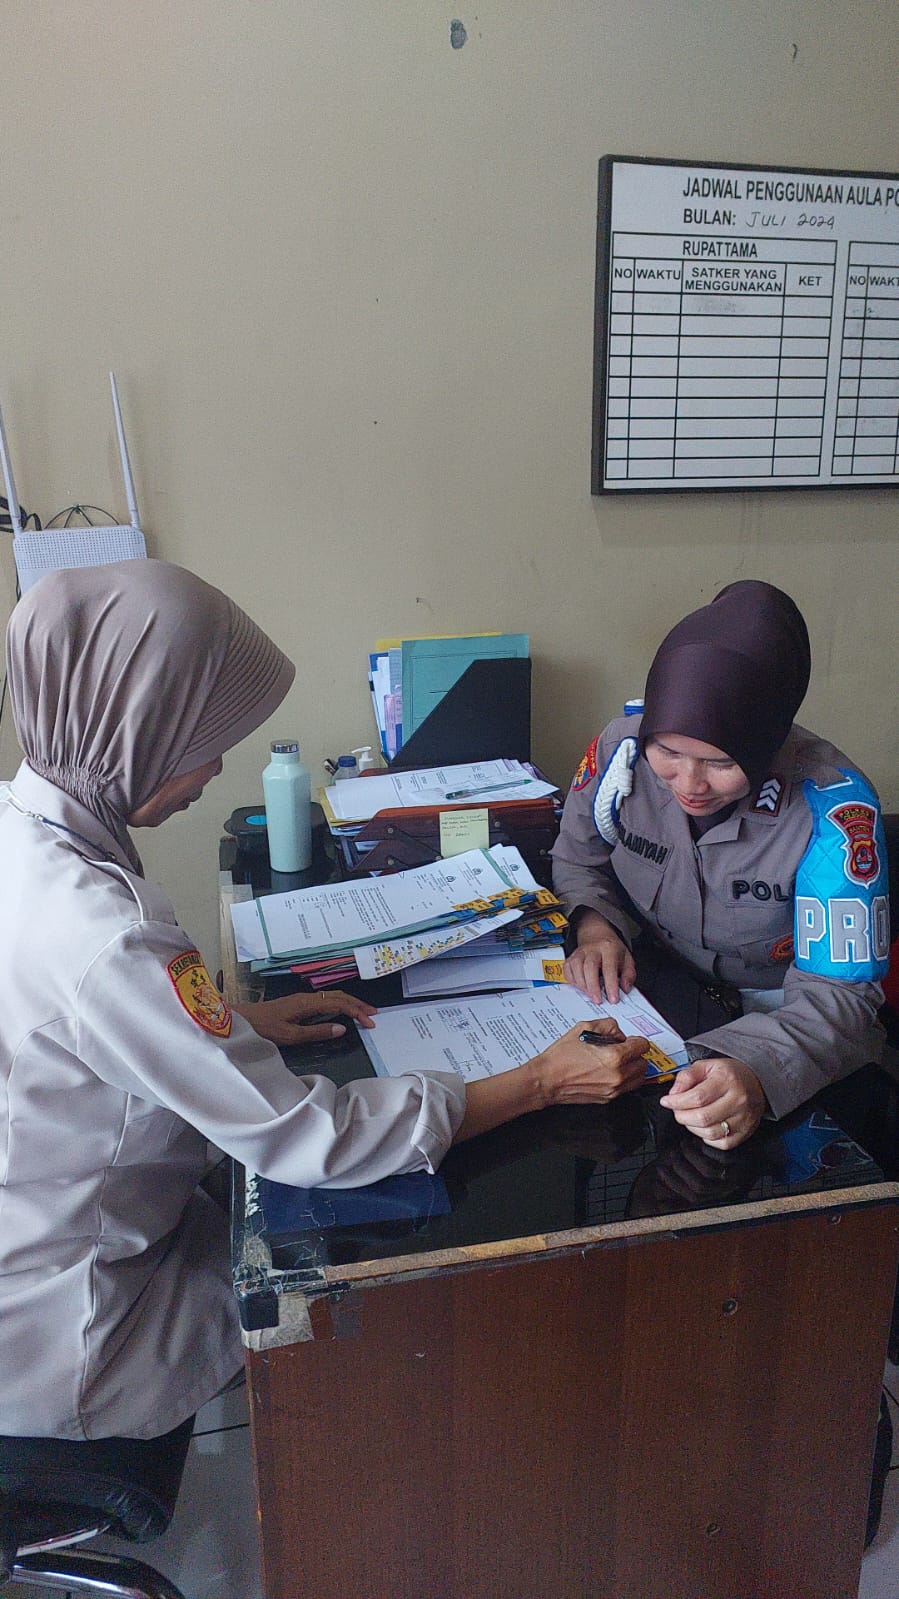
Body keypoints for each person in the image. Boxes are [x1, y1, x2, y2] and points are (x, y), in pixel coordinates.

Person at [0, 559, 649, 1442]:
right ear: (135, 731)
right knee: (386, 1304)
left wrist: (229, 1026)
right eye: (202, 740)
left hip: (48, 1245)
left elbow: (76, 1038)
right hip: (79, 1329)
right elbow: (315, 1138)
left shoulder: (25, 835)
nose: (215, 766)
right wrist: (540, 1080)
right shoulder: (105, 936)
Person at [552, 580, 889, 1153]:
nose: (689, 783)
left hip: (782, 1023)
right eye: (668, 752)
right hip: (652, 992)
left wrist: (756, 1068)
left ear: (766, 744)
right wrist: (595, 926)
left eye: (721, 762)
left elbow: (842, 997)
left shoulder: (833, 810)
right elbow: (578, 856)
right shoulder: (620, 755)